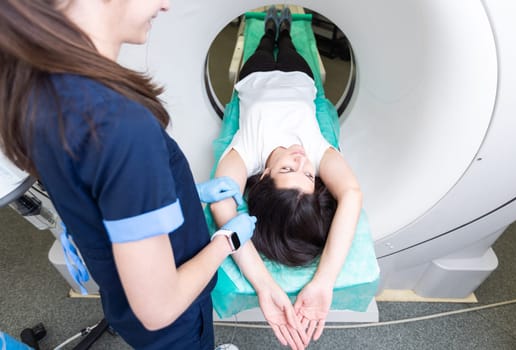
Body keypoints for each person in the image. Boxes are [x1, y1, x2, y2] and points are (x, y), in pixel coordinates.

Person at [0, 1, 257, 349]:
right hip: (173, 325)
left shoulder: (42, 88)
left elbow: (103, 193)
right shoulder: (121, 126)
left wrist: (183, 191)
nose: (166, 4)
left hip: (123, 298)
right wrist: (228, 240)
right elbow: (160, 308)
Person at [210, 6, 363, 348]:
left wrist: (265, 284)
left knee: (272, 50)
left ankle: (278, 32)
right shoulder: (315, 149)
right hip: (298, 79)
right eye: (308, 173)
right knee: (279, 47)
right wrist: (324, 281)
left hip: (255, 78)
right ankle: (274, 30)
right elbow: (351, 193)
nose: (299, 159)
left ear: (263, 175)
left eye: (287, 169)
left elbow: (222, 203)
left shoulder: (246, 152)